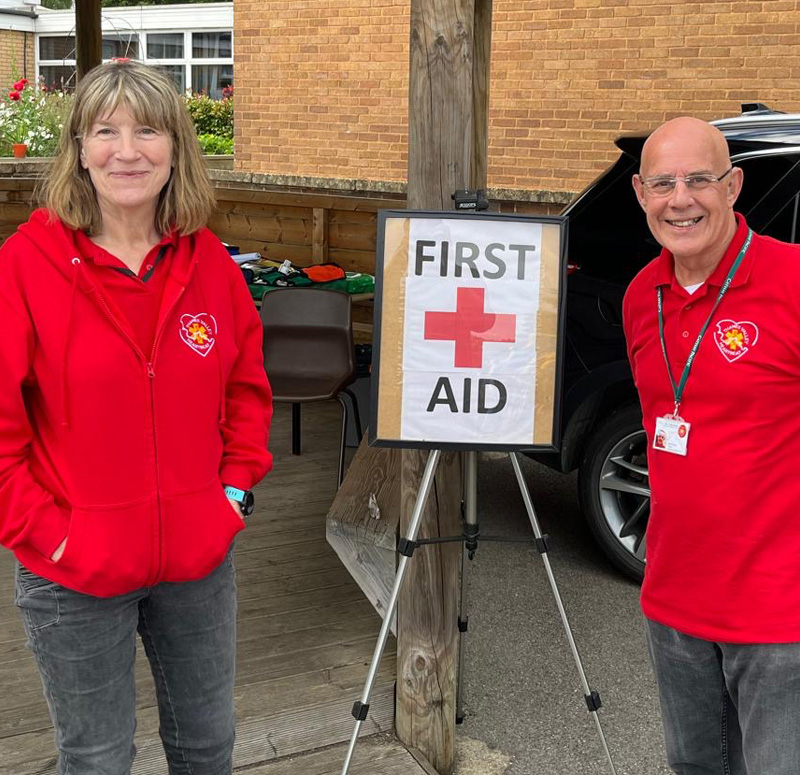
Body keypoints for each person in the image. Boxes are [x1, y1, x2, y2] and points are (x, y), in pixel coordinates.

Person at [0, 60, 272, 774]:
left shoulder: (209, 261)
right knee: (95, 758)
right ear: (79, 149)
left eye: (148, 130)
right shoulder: (24, 266)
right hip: (73, 574)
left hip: (197, 563)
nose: (127, 150)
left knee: (208, 748)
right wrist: (51, 534)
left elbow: (246, 391)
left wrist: (232, 496)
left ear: (176, 148)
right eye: (106, 130)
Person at [624, 115, 800, 774]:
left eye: (700, 179)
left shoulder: (792, 280)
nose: (681, 199)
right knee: (694, 767)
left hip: (781, 611)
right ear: (641, 193)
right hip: (674, 597)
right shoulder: (642, 295)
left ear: (733, 186)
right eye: (664, 183)